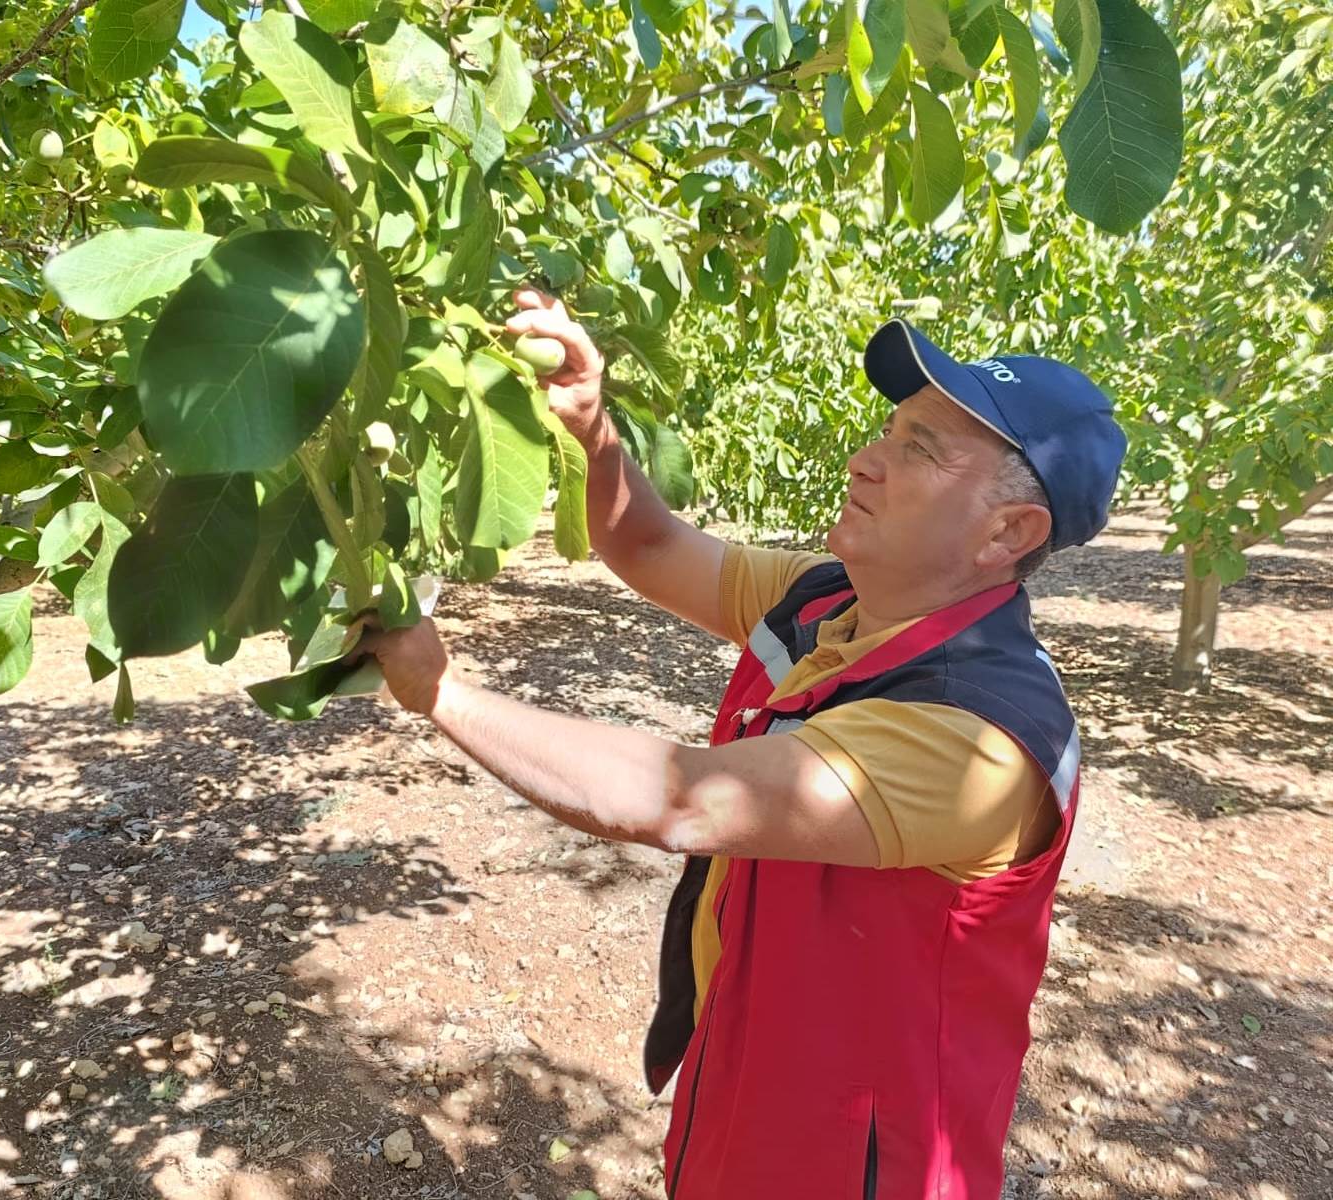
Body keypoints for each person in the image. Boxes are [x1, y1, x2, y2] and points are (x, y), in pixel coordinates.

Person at [358, 288, 1126, 1199]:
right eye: (889, 429)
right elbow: (644, 543)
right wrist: (591, 419)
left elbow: (679, 800)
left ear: (1009, 532)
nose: (865, 460)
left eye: (919, 450)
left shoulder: (977, 741)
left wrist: (442, 693)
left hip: (864, 1154)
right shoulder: (828, 598)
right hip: (754, 1063)